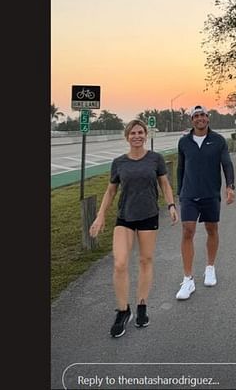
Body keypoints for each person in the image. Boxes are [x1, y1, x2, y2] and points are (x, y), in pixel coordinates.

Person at [89, 119, 178, 337]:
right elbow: (111, 192)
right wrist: (100, 216)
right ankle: (122, 311)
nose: (137, 136)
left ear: (145, 135)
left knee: (145, 260)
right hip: (125, 217)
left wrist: (171, 205)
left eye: (140, 132)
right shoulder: (119, 162)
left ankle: (142, 307)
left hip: (148, 216)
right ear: (127, 137)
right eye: (132, 133)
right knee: (120, 263)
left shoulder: (155, 159)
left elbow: (164, 184)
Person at [174, 105, 235, 300]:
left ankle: (210, 268)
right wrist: (179, 193)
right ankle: (188, 279)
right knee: (187, 231)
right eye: (196, 116)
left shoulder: (218, 141)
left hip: (210, 193)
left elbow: (226, 163)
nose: (199, 118)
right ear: (191, 120)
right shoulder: (184, 142)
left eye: (203, 115)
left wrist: (230, 186)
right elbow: (180, 168)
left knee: (211, 229)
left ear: (208, 118)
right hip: (189, 194)